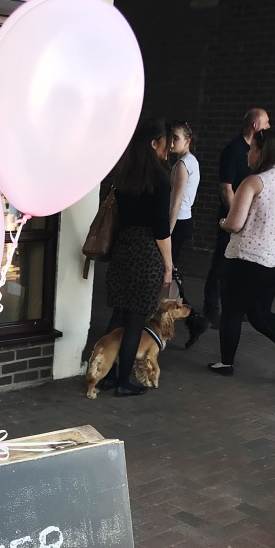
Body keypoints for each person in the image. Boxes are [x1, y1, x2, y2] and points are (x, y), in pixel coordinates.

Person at [208, 128, 275, 383]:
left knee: (232, 312)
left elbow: (234, 223)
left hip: (247, 260)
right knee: (260, 312)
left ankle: (226, 363)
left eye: (252, 149)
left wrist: (222, 222)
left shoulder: (253, 182)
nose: (248, 154)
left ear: (262, 152)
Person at [102, 117, 173, 397]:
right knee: (135, 321)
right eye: (165, 143)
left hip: (123, 249)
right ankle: (122, 382)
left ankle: (105, 375)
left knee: (118, 314)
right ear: (155, 143)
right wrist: (168, 265)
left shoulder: (123, 176)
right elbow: (160, 229)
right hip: (145, 253)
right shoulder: (160, 179)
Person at [203, 108, 270, 327]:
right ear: (255, 125)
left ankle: (233, 308)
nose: (269, 126)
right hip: (231, 221)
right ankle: (211, 312)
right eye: (266, 122)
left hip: (244, 223)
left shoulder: (257, 152)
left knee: (237, 268)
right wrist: (236, 219)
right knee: (220, 266)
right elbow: (226, 188)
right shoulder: (234, 150)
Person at [169, 120, 208, 347]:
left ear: (187, 141)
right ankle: (191, 318)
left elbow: (177, 200)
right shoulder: (188, 162)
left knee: (168, 271)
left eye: (176, 138)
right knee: (169, 271)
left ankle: (191, 317)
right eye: (171, 137)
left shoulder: (184, 163)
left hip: (178, 222)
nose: (172, 142)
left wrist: (168, 229)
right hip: (182, 221)